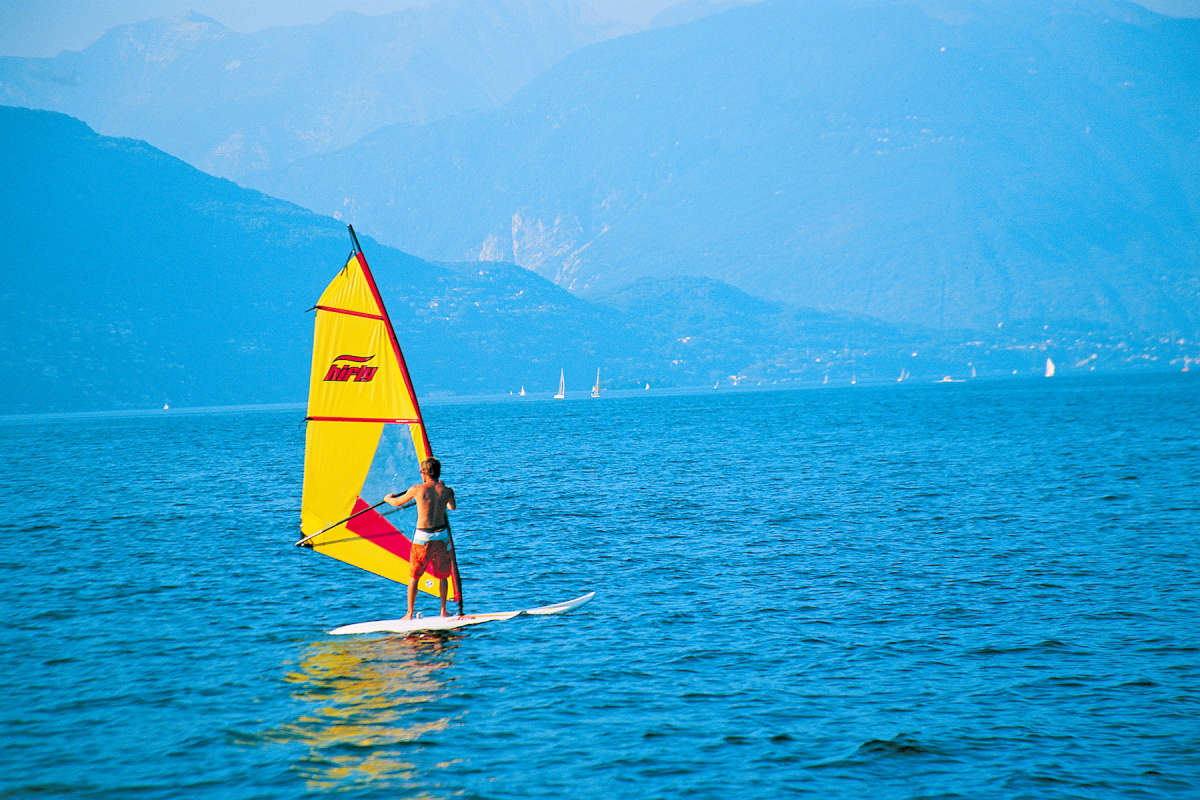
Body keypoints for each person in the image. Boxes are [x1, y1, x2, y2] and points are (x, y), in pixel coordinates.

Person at [383, 457, 457, 619]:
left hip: (422, 537)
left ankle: (409, 613)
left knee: (414, 577)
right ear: (438, 473)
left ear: (424, 473)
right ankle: (443, 611)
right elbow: (452, 507)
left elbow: (397, 502)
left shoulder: (417, 489)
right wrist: (442, 493)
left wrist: (387, 499)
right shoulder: (447, 491)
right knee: (443, 576)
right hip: (442, 537)